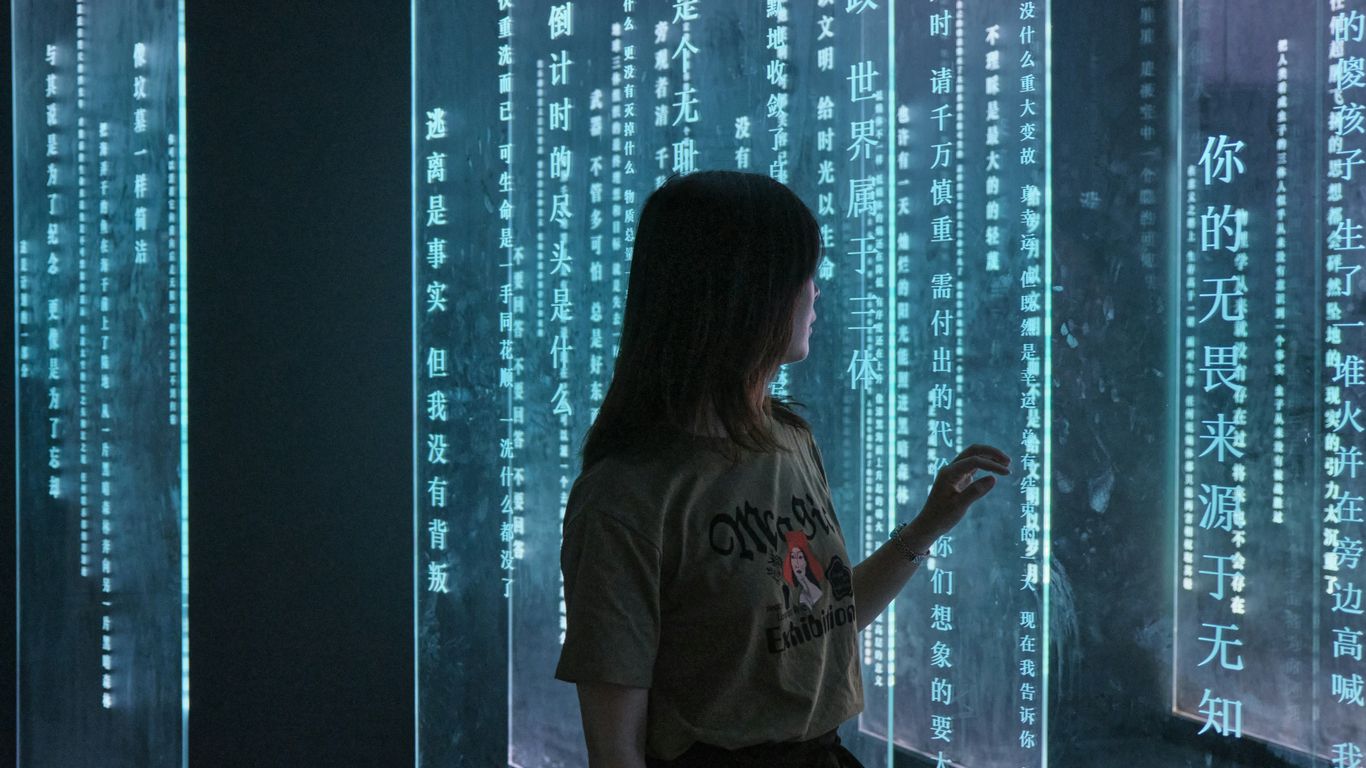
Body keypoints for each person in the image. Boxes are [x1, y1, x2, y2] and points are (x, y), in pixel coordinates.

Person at [554, 171, 1010, 768]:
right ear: (742, 292)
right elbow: (615, 752)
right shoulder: (626, 498)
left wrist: (925, 528)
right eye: (801, 273)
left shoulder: (789, 438)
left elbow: (822, 620)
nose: (815, 291)